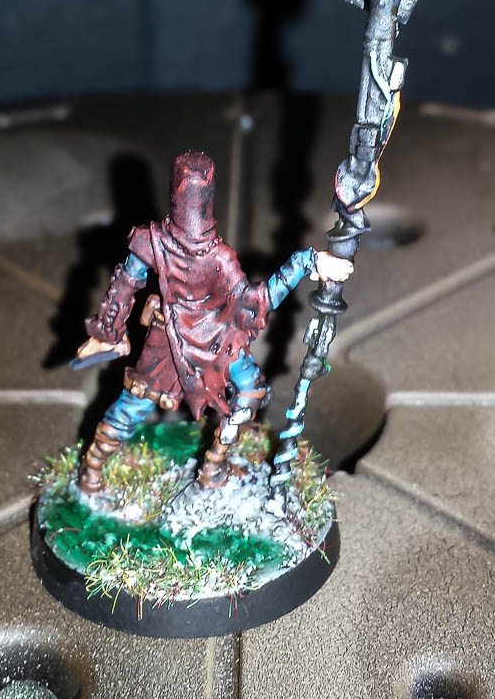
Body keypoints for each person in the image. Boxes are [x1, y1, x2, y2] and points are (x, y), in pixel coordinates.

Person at [72, 151, 352, 493]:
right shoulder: (156, 242)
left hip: (217, 342)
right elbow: (125, 285)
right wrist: (110, 331)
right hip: (168, 344)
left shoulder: (217, 257)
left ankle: (213, 465)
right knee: (136, 402)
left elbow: (253, 302)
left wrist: (307, 263)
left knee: (249, 389)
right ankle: (92, 466)